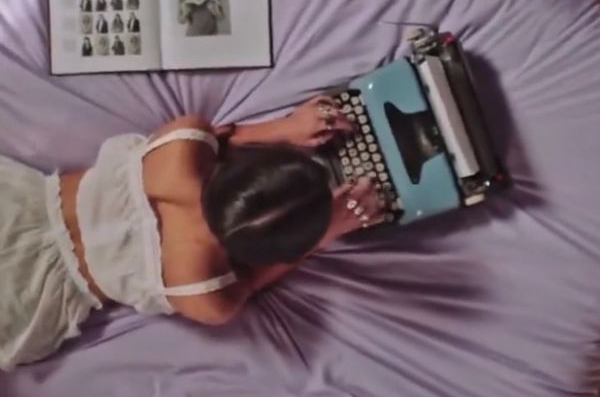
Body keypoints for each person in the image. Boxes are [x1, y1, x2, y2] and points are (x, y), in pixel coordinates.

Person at [0, 97, 382, 370]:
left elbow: (224, 141)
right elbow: (252, 278)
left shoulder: (183, 145)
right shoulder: (204, 293)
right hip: (34, 295)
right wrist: (328, 228)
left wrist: (286, 128)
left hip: (18, 218)